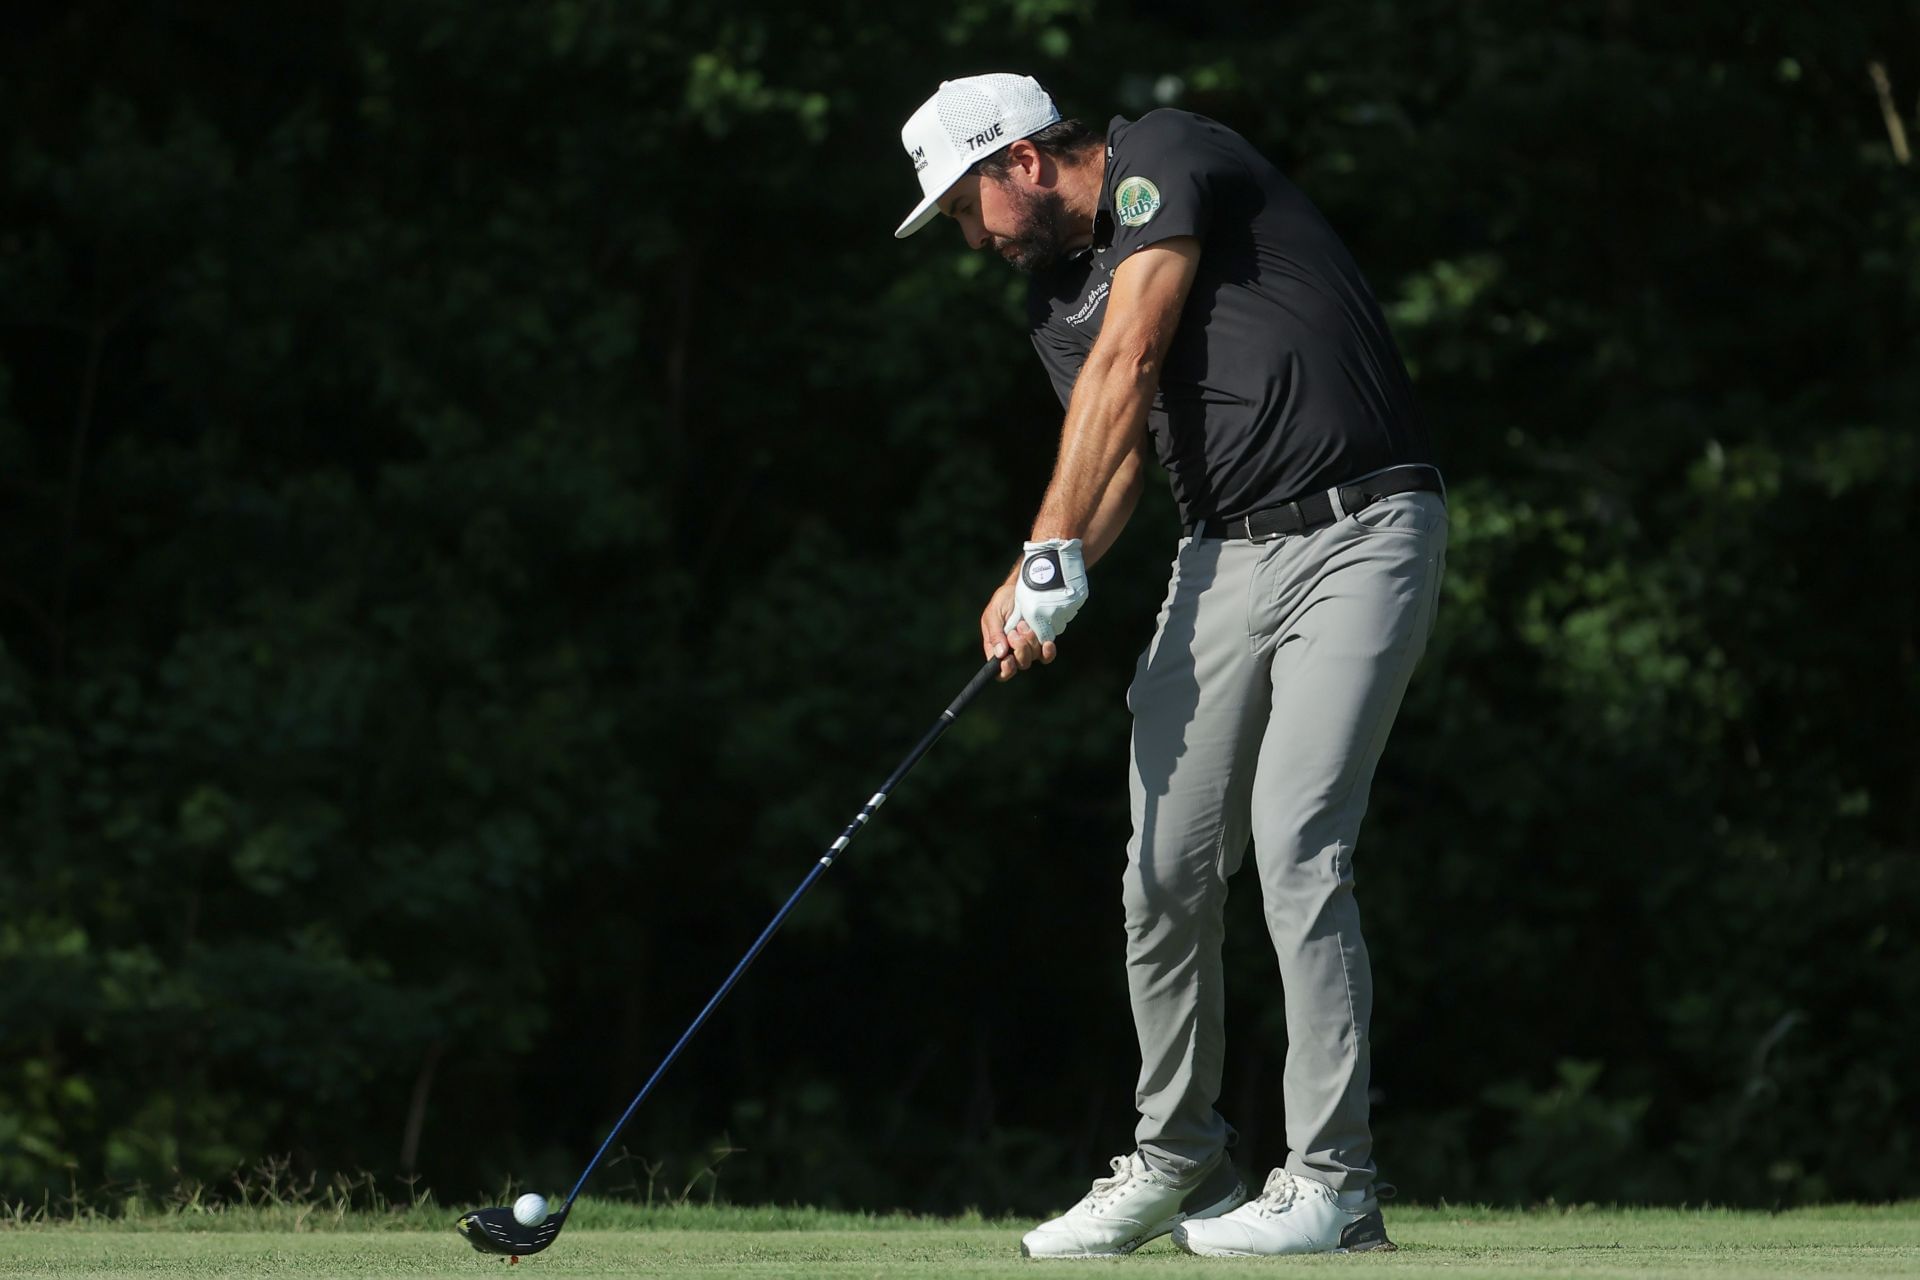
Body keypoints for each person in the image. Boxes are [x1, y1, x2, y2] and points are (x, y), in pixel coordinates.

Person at [892, 74, 1446, 1258]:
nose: (968, 234)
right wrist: (1056, 580)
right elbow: (1124, 458)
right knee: (1163, 866)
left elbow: (1134, 351)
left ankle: (1335, 1182)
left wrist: (1040, 549)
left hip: (1362, 527)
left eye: (964, 205)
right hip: (1220, 559)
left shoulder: (1171, 151)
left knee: (1299, 844)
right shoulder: (1052, 304)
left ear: (1025, 162)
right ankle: (1178, 1157)